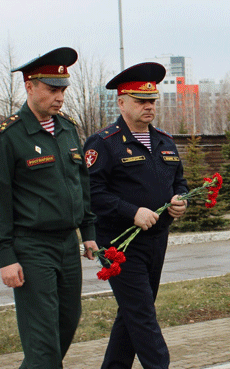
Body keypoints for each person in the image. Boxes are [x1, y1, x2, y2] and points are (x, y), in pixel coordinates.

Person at [0, 47, 99, 369]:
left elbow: (81, 184)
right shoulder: (8, 136)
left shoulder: (67, 129)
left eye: (62, 89)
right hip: (32, 245)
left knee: (67, 321)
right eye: (52, 89)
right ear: (30, 86)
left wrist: (88, 231)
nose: (59, 97)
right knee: (43, 336)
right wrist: (5, 256)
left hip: (67, 243)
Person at [83, 62, 189, 369]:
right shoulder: (104, 142)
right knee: (142, 315)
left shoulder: (165, 141)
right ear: (121, 102)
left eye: (152, 101)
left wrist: (180, 200)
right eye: (140, 101)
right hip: (120, 245)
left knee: (133, 312)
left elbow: (178, 181)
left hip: (157, 240)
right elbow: (92, 191)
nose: (148, 107)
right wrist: (132, 212)